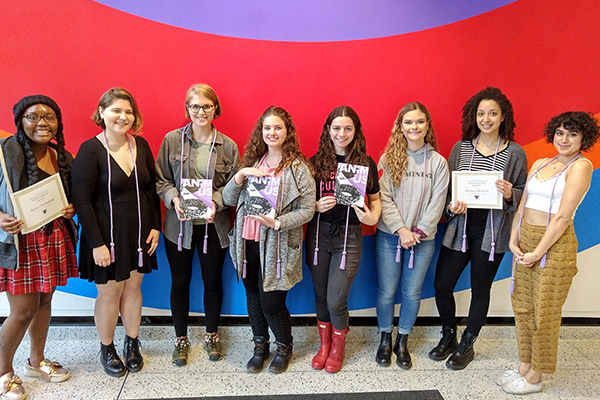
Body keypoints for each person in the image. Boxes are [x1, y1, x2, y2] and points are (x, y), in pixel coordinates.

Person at [498, 112, 599, 395]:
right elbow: (522, 207)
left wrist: (537, 252)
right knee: (523, 306)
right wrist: (514, 241)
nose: (564, 139)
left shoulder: (581, 166)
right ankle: (524, 364)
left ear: (584, 139)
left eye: (572, 134)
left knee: (545, 311)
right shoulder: (542, 163)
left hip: (555, 244)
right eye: (560, 133)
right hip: (526, 239)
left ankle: (535, 377)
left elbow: (562, 216)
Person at [430, 87, 528, 370]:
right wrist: (452, 206)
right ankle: (449, 334)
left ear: (503, 117)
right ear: (474, 116)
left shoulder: (515, 152)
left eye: (493, 113)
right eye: (481, 113)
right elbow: (447, 190)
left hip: (492, 232)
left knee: (480, 290)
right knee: (442, 285)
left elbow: (522, 191)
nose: (486, 119)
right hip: (460, 228)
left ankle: (467, 344)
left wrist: (511, 193)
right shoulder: (461, 148)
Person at [72, 88, 161, 378]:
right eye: (116, 111)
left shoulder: (142, 146)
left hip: (139, 236)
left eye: (128, 112)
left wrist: (156, 227)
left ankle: (132, 343)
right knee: (110, 294)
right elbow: (82, 200)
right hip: (106, 237)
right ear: (101, 113)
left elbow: (150, 191)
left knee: (134, 289)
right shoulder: (89, 150)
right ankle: (107, 347)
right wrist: (96, 243)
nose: (123, 117)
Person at [223, 106, 315, 374]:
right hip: (247, 242)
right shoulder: (253, 161)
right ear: (260, 132)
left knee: (271, 302)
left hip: (277, 246)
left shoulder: (297, 167)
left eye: (278, 127)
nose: (272, 132)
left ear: (287, 132)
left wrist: (278, 223)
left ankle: (284, 345)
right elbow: (229, 199)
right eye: (267, 128)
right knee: (252, 296)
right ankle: (260, 346)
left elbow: (308, 209)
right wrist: (241, 175)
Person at [0, 95, 78, 399]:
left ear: (58, 122)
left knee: (45, 302)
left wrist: (69, 208)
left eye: (49, 117)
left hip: (53, 236)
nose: (41, 123)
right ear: (21, 121)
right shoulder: (6, 153)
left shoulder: (62, 156)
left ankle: (36, 361)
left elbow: (66, 197)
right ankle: (4, 371)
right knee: (22, 311)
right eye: (33, 117)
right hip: (20, 242)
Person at [156, 84, 239, 365]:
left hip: (213, 228)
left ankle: (212, 334)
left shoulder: (228, 146)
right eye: (195, 106)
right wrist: (173, 199)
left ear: (215, 109)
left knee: (212, 282)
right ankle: (180, 338)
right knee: (179, 282)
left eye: (207, 106)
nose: (201, 111)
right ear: (187, 109)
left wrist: (215, 201)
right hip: (178, 227)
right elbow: (161, 180)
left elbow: (234, 187)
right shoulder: (171, 141)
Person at [305, 106, 381, 373]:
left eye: (348, 128)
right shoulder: (314, 163)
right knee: (320, 294)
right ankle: (324, 345)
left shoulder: (365, 163)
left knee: (336, 299)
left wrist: (371, 217)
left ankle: (338, 348)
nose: (342, 133)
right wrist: (315, 206)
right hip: (318, 235)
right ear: (328, 130)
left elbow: (375, 199)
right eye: (336, 128)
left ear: (356, 131)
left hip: (349, 236)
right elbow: (302, 203)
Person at [374, 102, 449, 369]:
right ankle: (385, 338)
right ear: (400, 126)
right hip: (389, 237)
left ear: (427, 125)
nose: (414, 127)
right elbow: (383, 198)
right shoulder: (388, 158)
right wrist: (401, 230)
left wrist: (417, 231)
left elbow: (438, 202)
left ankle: (402, 340)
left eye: (419, 122)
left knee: (412, 293)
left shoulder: (439, 163)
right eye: (408, 122)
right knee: (386, 292)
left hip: (422, 240)